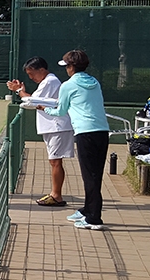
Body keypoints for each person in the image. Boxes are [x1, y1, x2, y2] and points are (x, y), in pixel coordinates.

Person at [43, 50, 110, 230]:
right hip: (102, 132)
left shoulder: (68, 85)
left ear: (71, 67)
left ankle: (94, 219)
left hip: (85, 134)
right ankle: (87, 209)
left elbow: (60, 111)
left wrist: (43, 108)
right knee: (94, 175)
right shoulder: (94, 82)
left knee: (90, 177)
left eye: (66, 66)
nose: (66, 69)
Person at [8, 56, 74, 206]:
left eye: (32, 74)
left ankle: (57, 196)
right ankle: (55, 194)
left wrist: (19, 91)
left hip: (58, 126)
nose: (31, 77)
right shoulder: (47, 81)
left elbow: (31, 101)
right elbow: (33, 100)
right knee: (54, 161)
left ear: (42, 70)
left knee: (56, 161)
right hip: (53, 127)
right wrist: (21, 91)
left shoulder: (50, 81)